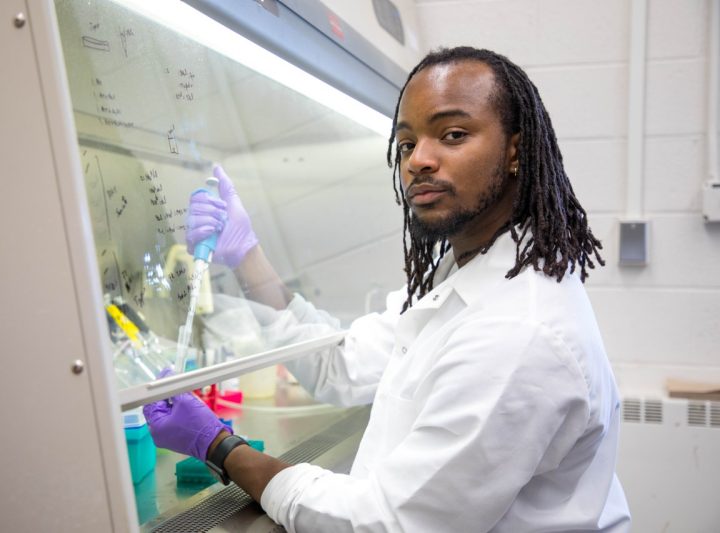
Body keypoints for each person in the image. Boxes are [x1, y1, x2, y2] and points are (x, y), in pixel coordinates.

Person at [143, 46, 631, 532]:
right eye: (405, 144)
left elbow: (386, 523)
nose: (419, 159)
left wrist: (219, 447)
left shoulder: (517, 332)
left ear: (515, 153)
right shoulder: (463, 275)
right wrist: (248, 257)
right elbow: (343, 365)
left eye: (453, 135)